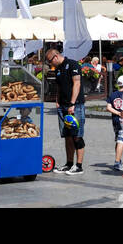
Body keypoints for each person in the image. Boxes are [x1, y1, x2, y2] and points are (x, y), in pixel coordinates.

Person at [46, 46, 86, 174]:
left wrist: (72, 103)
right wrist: (57, 100)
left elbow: (77, 83)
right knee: (67, 136)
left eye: (50, 61)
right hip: (62, 106)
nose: (50, 64)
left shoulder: (73, 64)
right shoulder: (58, 69)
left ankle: (79, 166)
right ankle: (69, 164)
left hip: (75, 105)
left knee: (77, 136)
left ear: (56, 56)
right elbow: (59, 86)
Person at [106, 76, 123, 172]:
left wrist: (116, 113)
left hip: (115, 120)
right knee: (121, 141)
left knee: (118, 140)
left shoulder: (113, 94)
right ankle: (117, 162)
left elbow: (108, 107)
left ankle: (119, 159)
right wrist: (120, 113)